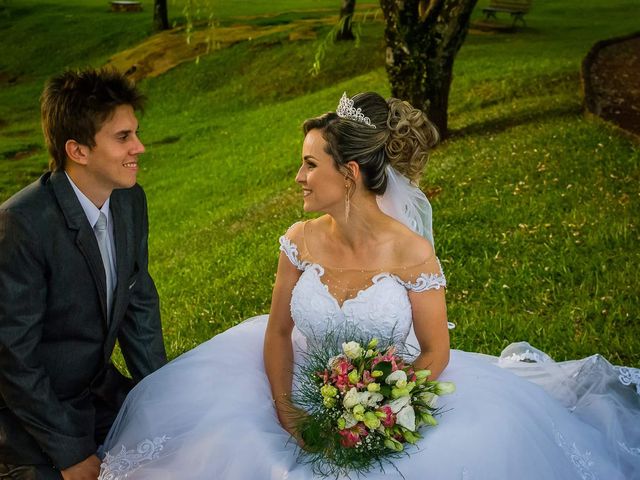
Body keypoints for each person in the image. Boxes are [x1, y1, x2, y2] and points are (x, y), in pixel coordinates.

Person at [98, 92, 639, 479]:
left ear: (350, 173)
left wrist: (384, 410)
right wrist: (288, 413)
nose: (298, 177)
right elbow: (280, 331)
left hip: (391, 394)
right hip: (302, 386)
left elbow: (435, 350)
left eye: (309, 164)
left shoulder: (411, 252)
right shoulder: (298, 238)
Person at [0, 68, 167, 480]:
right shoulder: (20, 225)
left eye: (136, 132)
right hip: (27, 419)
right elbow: (12, 357)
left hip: (97, 393)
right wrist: (71, 452)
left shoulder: (130, 201)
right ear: (78, 151)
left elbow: (138, 305)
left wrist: (164, 398)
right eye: (123, 137)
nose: (140, 147)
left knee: (187, 445)